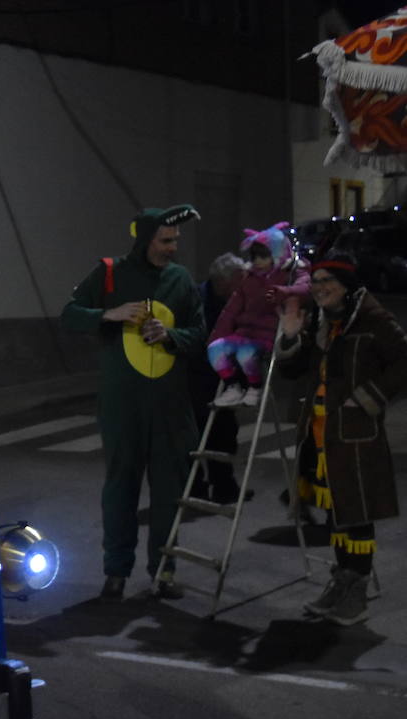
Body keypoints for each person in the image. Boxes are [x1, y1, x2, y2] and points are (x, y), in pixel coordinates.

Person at [61, 204, 206, 602]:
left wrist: (173, 336)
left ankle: (164, 569)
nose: (172, 248)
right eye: (165, 241)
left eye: (175, 241)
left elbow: (200, 333)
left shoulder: (180, 280)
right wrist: (108, 314)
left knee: (168, 492)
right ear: (144, 240)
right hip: (123, 405)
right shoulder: (110, 274)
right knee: (120, 489)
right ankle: (116, 571)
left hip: (170, 408)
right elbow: (69, 315)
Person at [275, 251, 407, 625]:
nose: (319, 290)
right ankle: (342, 583)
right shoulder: (323, 322)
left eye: (327, 282)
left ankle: (357, 591)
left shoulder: (372, 319)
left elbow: (403, 361)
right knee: (338, 513)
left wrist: (366, 399)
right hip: (321, 436)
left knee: (357, 513)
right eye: (315, 282)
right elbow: (294, 370)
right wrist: (289, 334)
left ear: (346, 285)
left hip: (355, 435)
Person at [208, 222, 310, 409]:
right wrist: (217, 335)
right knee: (215, 349)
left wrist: (285, 291)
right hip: (244, 332)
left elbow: (305, 288)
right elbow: (231, 310)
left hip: (266, 334)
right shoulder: (249, 280)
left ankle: (254, 387)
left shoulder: (291, 273)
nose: (256, 261)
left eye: (263, 255)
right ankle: (233, 387)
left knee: (246, 354)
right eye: (253, 256)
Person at [191, 253, 248, 503]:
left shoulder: (234, 302)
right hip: (196, 377)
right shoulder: (197, 301)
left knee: (225, 432)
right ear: (223, 282)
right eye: (239, 282)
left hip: (223, 377)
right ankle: (194, 486)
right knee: (196, 435)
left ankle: (224, 485)